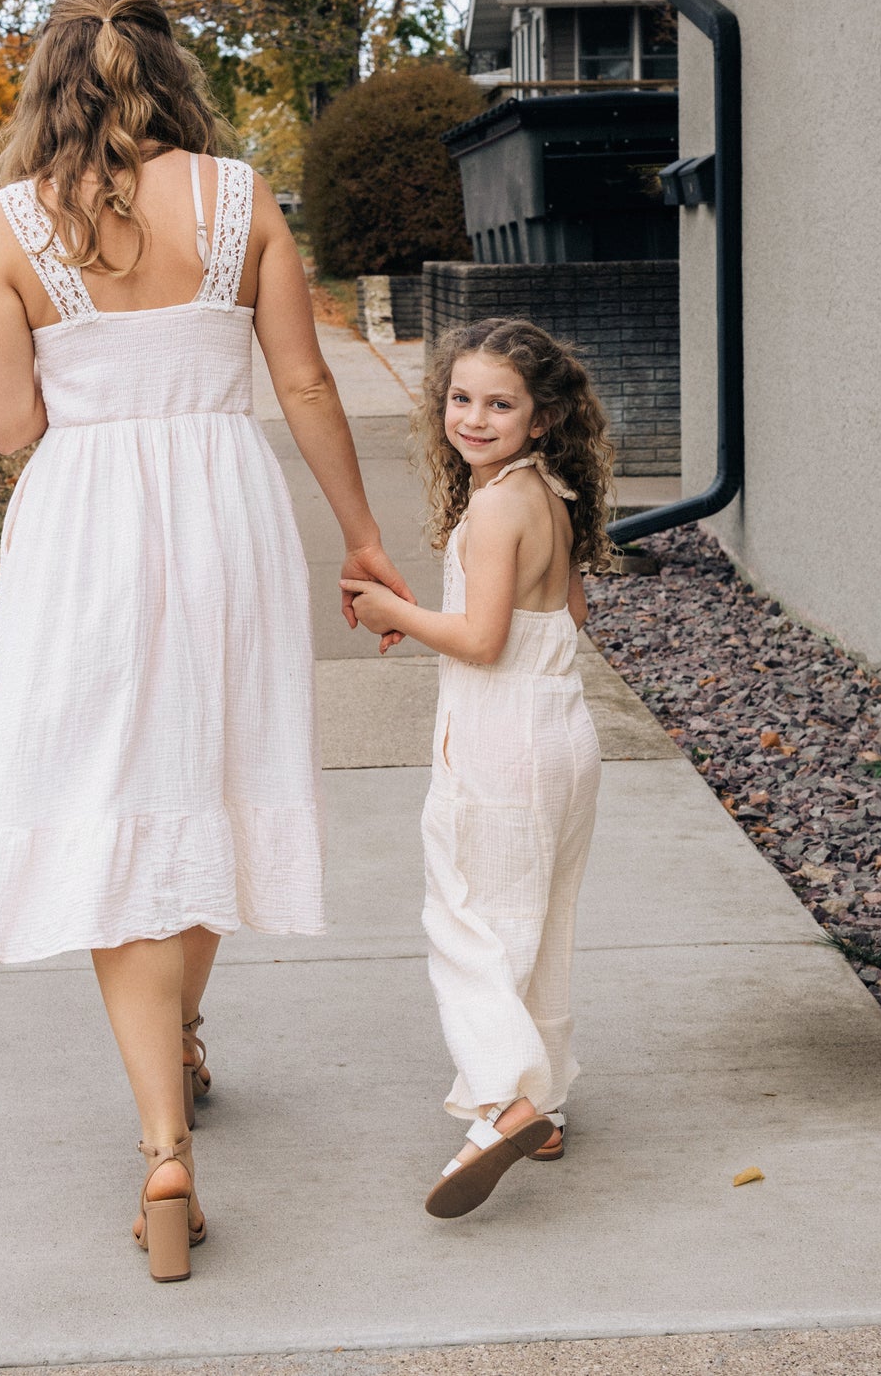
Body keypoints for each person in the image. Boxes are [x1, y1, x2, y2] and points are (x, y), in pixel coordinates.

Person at [0, 0, 412, 1281]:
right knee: (207, 779)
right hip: (225, 517)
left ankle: (163, 1146)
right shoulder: (240, 196)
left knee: (110, 798)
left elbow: (7, 427)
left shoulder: (10, 224)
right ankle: (186, 1026)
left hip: (83, 523)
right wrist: (364, 537)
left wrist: (92, 420)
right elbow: (306, 378)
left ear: (50, 85)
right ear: (171, 74)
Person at [342, 317, 614, 1218]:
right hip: (561, 730)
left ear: (540, 418)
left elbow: (483, 640)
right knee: (540, 918)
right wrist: (428, 619)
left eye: (500, 404)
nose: (473, 417)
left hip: (504, 738)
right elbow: (562, 615)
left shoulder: (495, 504)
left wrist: (392, 606)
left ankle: (503, 1100)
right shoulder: (551, 492)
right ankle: (550, 1100)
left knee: (467, 923)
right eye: (461, 398)